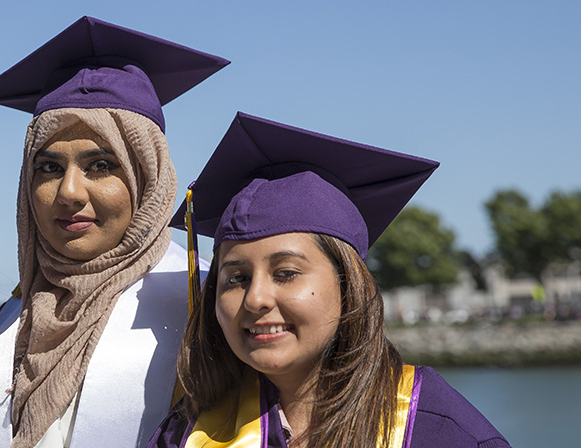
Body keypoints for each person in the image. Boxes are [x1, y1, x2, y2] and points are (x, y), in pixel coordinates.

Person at [147, 112, 511, 448]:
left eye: (285, 273)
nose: (255, 298)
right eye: (236, 278)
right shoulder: (192, 432)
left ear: (347, 285)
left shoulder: (431, 428)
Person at [0, 16, 229, 448]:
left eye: (101, 166)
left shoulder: (207, 307)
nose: (68, 192)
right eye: (49, 168)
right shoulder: (17, 315)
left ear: (148, 177)